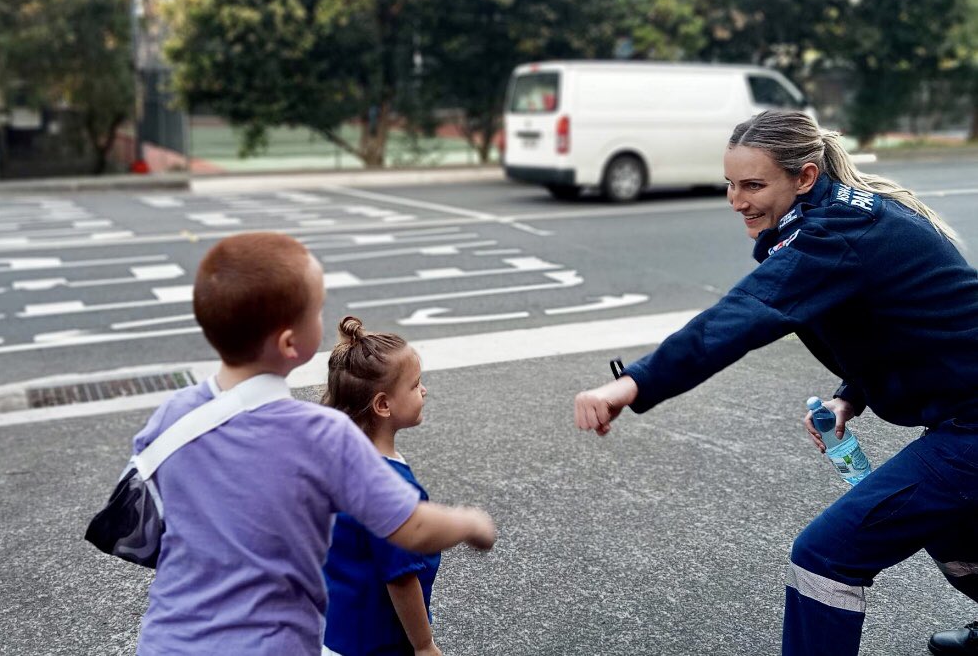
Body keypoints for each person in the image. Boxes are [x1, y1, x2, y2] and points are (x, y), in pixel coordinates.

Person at [573, 110, 978, 656]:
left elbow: (747, 311)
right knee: (955, 534)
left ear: (805, 177)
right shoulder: (833, 220)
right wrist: (848, 397)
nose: (737, 200)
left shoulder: (837, 233)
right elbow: (894, 326)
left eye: (753, 185)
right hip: (962, 413)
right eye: (730, 185)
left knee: (827, 555)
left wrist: (633, 385)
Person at [132, 232, 495, 656]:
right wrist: (470, 523)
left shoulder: (173, 414)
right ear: (291, 343)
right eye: (317, 310)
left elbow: (147, 520)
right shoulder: (322, 433)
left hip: (167, 640)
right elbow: (410, 528)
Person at [322, 316, 442, 656]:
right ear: (384, 405)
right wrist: (424, 645)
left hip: (333, 629)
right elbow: (400, 577)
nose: (424, 390)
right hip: (376, 641)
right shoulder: (389, 486)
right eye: (416, 384)